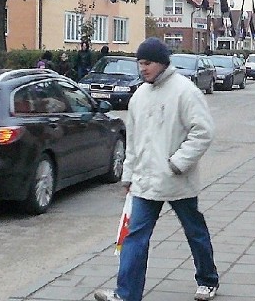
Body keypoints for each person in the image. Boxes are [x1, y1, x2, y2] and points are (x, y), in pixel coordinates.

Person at [94, 38, 219, 301]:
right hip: (145, 183)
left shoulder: (185, 91)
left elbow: (203, 132)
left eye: (147, 63)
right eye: (140, 63)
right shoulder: (139, 97)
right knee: (134, 237)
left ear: (162, 62)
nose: (143, 68)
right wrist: (128, 175)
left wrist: (178, 163)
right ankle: (126, 294)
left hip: (177, 180)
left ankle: (207, 279)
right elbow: (135, 142)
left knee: (194, 232)